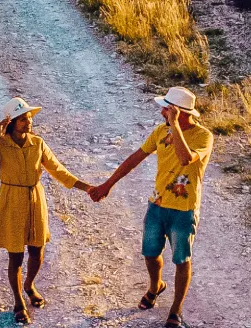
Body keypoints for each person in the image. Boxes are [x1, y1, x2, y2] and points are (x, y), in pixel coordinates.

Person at [89, 87, 213, 328]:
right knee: (150, 254)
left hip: (184, 209)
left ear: (178, 112)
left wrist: (175, 125)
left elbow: (186, 159)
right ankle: (155, 286)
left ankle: (175, 310)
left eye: (166, 108)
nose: (162, 111)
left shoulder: (203, 136)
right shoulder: (160, 131)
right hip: (157, 204)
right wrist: (108, 184)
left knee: (181, 260)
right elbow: (135, 157)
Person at [0, 97, 95, 324]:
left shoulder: (38, 143)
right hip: (12, 200)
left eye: (29, 118)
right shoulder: (1, 145)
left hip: (35, 198)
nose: (28, 122)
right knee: (15, 254)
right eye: (22, 119)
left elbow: (59, 171)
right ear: (11, 123)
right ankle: (18, 301)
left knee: (37, 249)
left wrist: (86, 187)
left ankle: (30, 284)